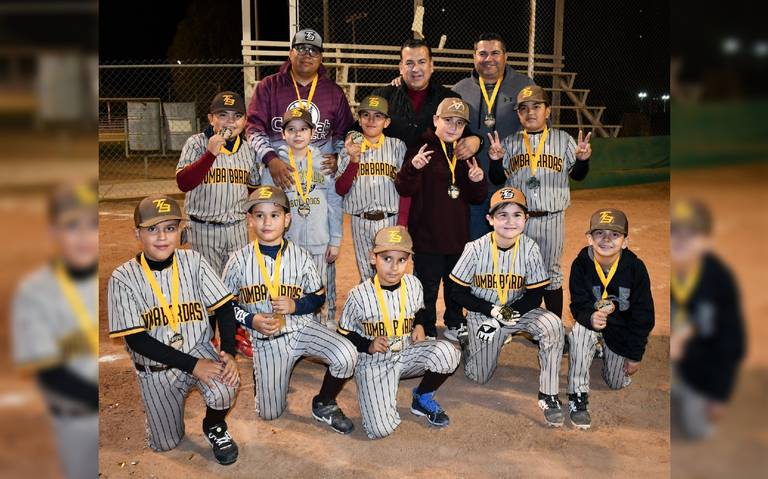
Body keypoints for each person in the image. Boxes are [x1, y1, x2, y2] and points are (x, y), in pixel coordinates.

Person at [107, 195, 241, 465]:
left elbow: (226, 308)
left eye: (170, 228)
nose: (162, 237)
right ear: (137, 233)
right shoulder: (123, 277)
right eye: (152, 229)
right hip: (157, 367)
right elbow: (137, 340)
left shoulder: (193, 261)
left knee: (226, 385)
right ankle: (160, 417)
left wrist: (228, 352)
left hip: (198, 349)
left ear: (180, 231)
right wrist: (193, 365)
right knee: (167, 444)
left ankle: (214, 426)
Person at [222, 185, 358, 434]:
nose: (267, 222)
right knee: (270, 414)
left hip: (302, 329)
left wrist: (296, 305)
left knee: (347, 353)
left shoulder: (301, 256)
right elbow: (226, 306)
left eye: (274, 215)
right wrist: (251, 320)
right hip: (267, 341)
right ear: (249, 220)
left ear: (287, 219)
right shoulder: (238, 261)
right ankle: (263, 373)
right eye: (259, 215)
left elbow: (318, 297)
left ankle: (324, 403)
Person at [450, 187, 566, 427]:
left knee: (553, 324)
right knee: (479, 376)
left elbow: (535, 295)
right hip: (483, 314)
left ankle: (548, 394)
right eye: (502, 215)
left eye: (516, 214)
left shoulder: (531, 248)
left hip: (516, 312)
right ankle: (469, 342)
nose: (510, 221)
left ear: (526, 219)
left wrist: (506, 315)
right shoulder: (474, 249)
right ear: (490, 219)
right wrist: (491, 312)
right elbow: (457, 292)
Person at [337, 226, 460, 438]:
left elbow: (418, 310)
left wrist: (419, 324)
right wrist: (367, 344)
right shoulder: (358, 295)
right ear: (372, 258)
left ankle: (421, 398)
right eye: (387, 258)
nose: (394, 267)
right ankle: (374, 391)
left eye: (401, 260)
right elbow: (343, 332)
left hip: (406, 352)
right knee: (379, 429)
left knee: (448, 353)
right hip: (374, 361)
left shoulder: (413, 284)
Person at [11, 183, 99, 479]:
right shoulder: (36, 291)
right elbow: (48, 369)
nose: (84, 236)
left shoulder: (109, 279)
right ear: (52, 233)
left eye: (93, 224)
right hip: (72, 418)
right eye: (71, 225)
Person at [487, 84, 592, 320]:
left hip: (551, 217)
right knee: (515, 272)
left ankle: (553, 326)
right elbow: (496, 178)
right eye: (523, 108)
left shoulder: (563, 140)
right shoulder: (510, 142)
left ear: (548, 111)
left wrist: (583, 160)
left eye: (536, 106)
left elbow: (577, 174)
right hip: (517, 221)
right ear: (518, 114)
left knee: (551, 274)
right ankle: (513, 323)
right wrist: (495, 161)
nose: (530, 112)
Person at [394, 97, 487, 341]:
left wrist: (478, 182)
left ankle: (455, 321)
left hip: (457, 237)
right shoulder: (421, 147)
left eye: (459, 123)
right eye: (447, 120)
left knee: (456, 285)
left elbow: (475, 198)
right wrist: (413, 168)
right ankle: (426, 326)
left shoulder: (464, 153)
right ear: (436, 120)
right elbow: (404, 187)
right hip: (427, 237)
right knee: (427, 287)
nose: (453, 127)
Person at [566, 208, 655, 429]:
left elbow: (643, 316)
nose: (606, 239)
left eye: (615, 234)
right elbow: (577, 304)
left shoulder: (635, 268)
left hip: (620, 329)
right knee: (580, 332)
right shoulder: (581, 264)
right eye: (600, 233)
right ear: (589, 238)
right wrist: (589, 317)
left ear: (625, 241)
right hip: (592, 322)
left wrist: (635, 355)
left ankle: (602, 348)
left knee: (616, 383)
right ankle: (578, 395)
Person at [670, 199, 745, 439]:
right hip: (676, 356)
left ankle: (692, 387)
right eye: (675, 232)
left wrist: (719, 394)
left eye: (691, 233)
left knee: (697, 431)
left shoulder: (719, 279)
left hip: (704, 365)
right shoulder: (669, 273)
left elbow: (732, 342)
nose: (681, 240)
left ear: (706, 241)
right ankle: (677, 380)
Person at [261, 107, 342, 325]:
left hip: (319, 241)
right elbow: (267, 204)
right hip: (289, 243)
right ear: (283, 133)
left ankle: (320, 329)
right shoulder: (274, 166)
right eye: (292, 129)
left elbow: (334, 202)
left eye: (303, 129)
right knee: (290, 288)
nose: (298, 134)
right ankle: (292, 333)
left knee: (317, 290)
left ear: (312, 133)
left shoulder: (324, 163)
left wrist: (335, 240)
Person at [452, 32, 535, 240]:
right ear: (474, 57)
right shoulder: (459, 91)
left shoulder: (525, 86)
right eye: (483, 53)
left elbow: (541, 128)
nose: (489, 59)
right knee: (476, 251)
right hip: (473, 189)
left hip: (513, 187)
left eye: (495, 53)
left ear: (505, 56)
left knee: (510, 254)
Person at [246, 28, 351, 189]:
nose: (307, 54)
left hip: (318, 175)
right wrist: (270, 159)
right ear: (290, 53)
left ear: (321, 58)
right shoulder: (268, 86)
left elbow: (344, 133)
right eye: (301, 48)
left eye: (314, 50)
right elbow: (254, 129)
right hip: (279, 172)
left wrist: (339, 157)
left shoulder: (333, 92)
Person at [175, 91, 260, 275]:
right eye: (223, 115)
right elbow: (183, 182)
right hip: (204, 230)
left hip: (237, 230)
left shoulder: (248, 149)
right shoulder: (196, 143)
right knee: (207, 286)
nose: (230, 122)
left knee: (237, 284)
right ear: (211, 118)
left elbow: (254, 184)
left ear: (245, 121)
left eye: (237, 116)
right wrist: (210, 155)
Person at [336, 95, 408, 281]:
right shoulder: (349, 148)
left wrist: (402, 222)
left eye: (378, 116)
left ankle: (390, 310)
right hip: (361, 221)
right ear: (359, 120)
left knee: (390, 274)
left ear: (386, 122)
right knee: (367, 274)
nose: (371, 120)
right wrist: (353, 160)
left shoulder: (398, 146)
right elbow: (340, 188)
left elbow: (407, 187)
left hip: (390, 220)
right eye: (366, 115)